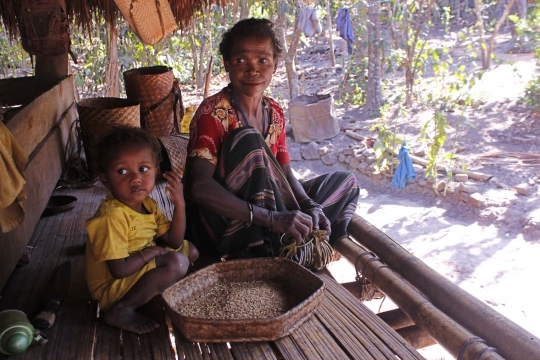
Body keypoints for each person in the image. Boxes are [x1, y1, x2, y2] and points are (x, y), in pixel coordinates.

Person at [184, 18, 359, 260]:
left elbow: (284, 174)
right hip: (225, 225)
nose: (252, 69)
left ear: (275, 65)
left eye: (263, 60)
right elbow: (196, 187)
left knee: (345, 183)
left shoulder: (274, 112)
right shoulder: (213, 113)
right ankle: (271, 249)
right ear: (226, 64)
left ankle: (310, 243)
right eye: (241, 60)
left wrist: (310, 206)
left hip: (270, 215)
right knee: (249, 141)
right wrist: (272, 218)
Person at [85, 126, 199, 334]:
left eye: (143, 169)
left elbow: (174, 241)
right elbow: (118, 270)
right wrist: (150, 253)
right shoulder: (112, 217)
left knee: (190, 250)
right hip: (112, 287)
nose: (135, 179)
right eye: (122, 171)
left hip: (136, 270)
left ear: (156, 170)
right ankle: (122, 309)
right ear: (104, 179)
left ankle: (152, 288)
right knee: (176, 262)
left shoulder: (148, 204)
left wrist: (179, 204)